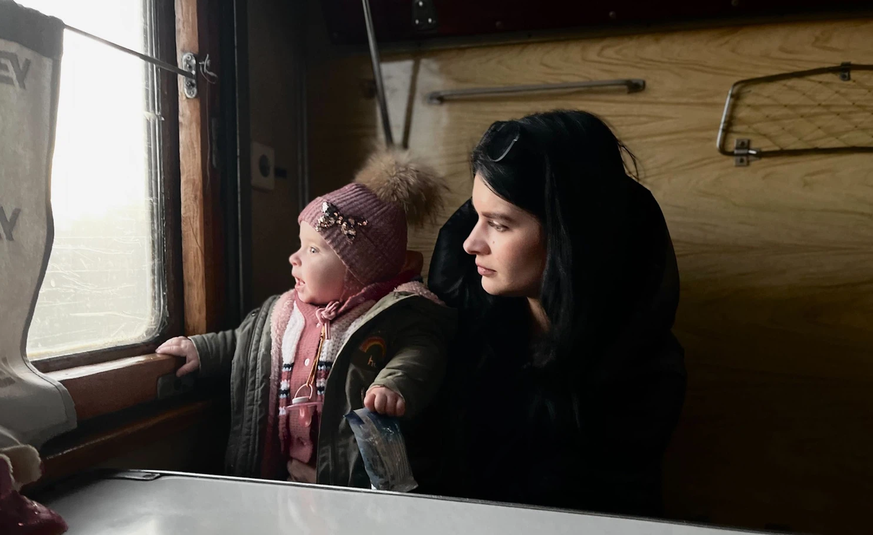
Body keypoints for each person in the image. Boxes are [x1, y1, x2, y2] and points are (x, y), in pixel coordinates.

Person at [427, 110, 686, 516]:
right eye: (476, 216)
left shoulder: (642, 371)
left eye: (499, 224)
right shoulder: (465, 316)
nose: (471, 243)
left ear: (569, 234)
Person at [158, 149, 455, 486]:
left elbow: (421, 353)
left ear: (359, 270)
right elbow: (246, 343)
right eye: (301, 245)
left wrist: (393, 384)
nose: (294, 258)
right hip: (283, 472)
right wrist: (201, 351)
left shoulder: (392, 316)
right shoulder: (283, 313)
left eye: (313, 250)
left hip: (345, 478)